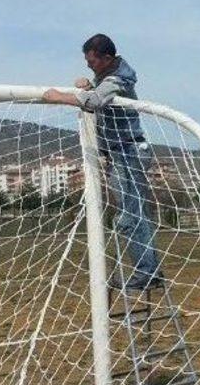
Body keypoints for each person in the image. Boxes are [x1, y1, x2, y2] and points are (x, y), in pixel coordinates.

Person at [43, 34, 161, 290]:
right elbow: (98, 92)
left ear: (107, 58)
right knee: (132, 214)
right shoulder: (109, 77)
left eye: (91, 61)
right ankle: (149, 271)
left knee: (131, 216)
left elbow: (97, 101)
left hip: (129, 152)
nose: (88, 64)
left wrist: (59, 96)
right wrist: (90, 83)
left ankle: (147, 274)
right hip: (121, 153)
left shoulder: (119, 79)